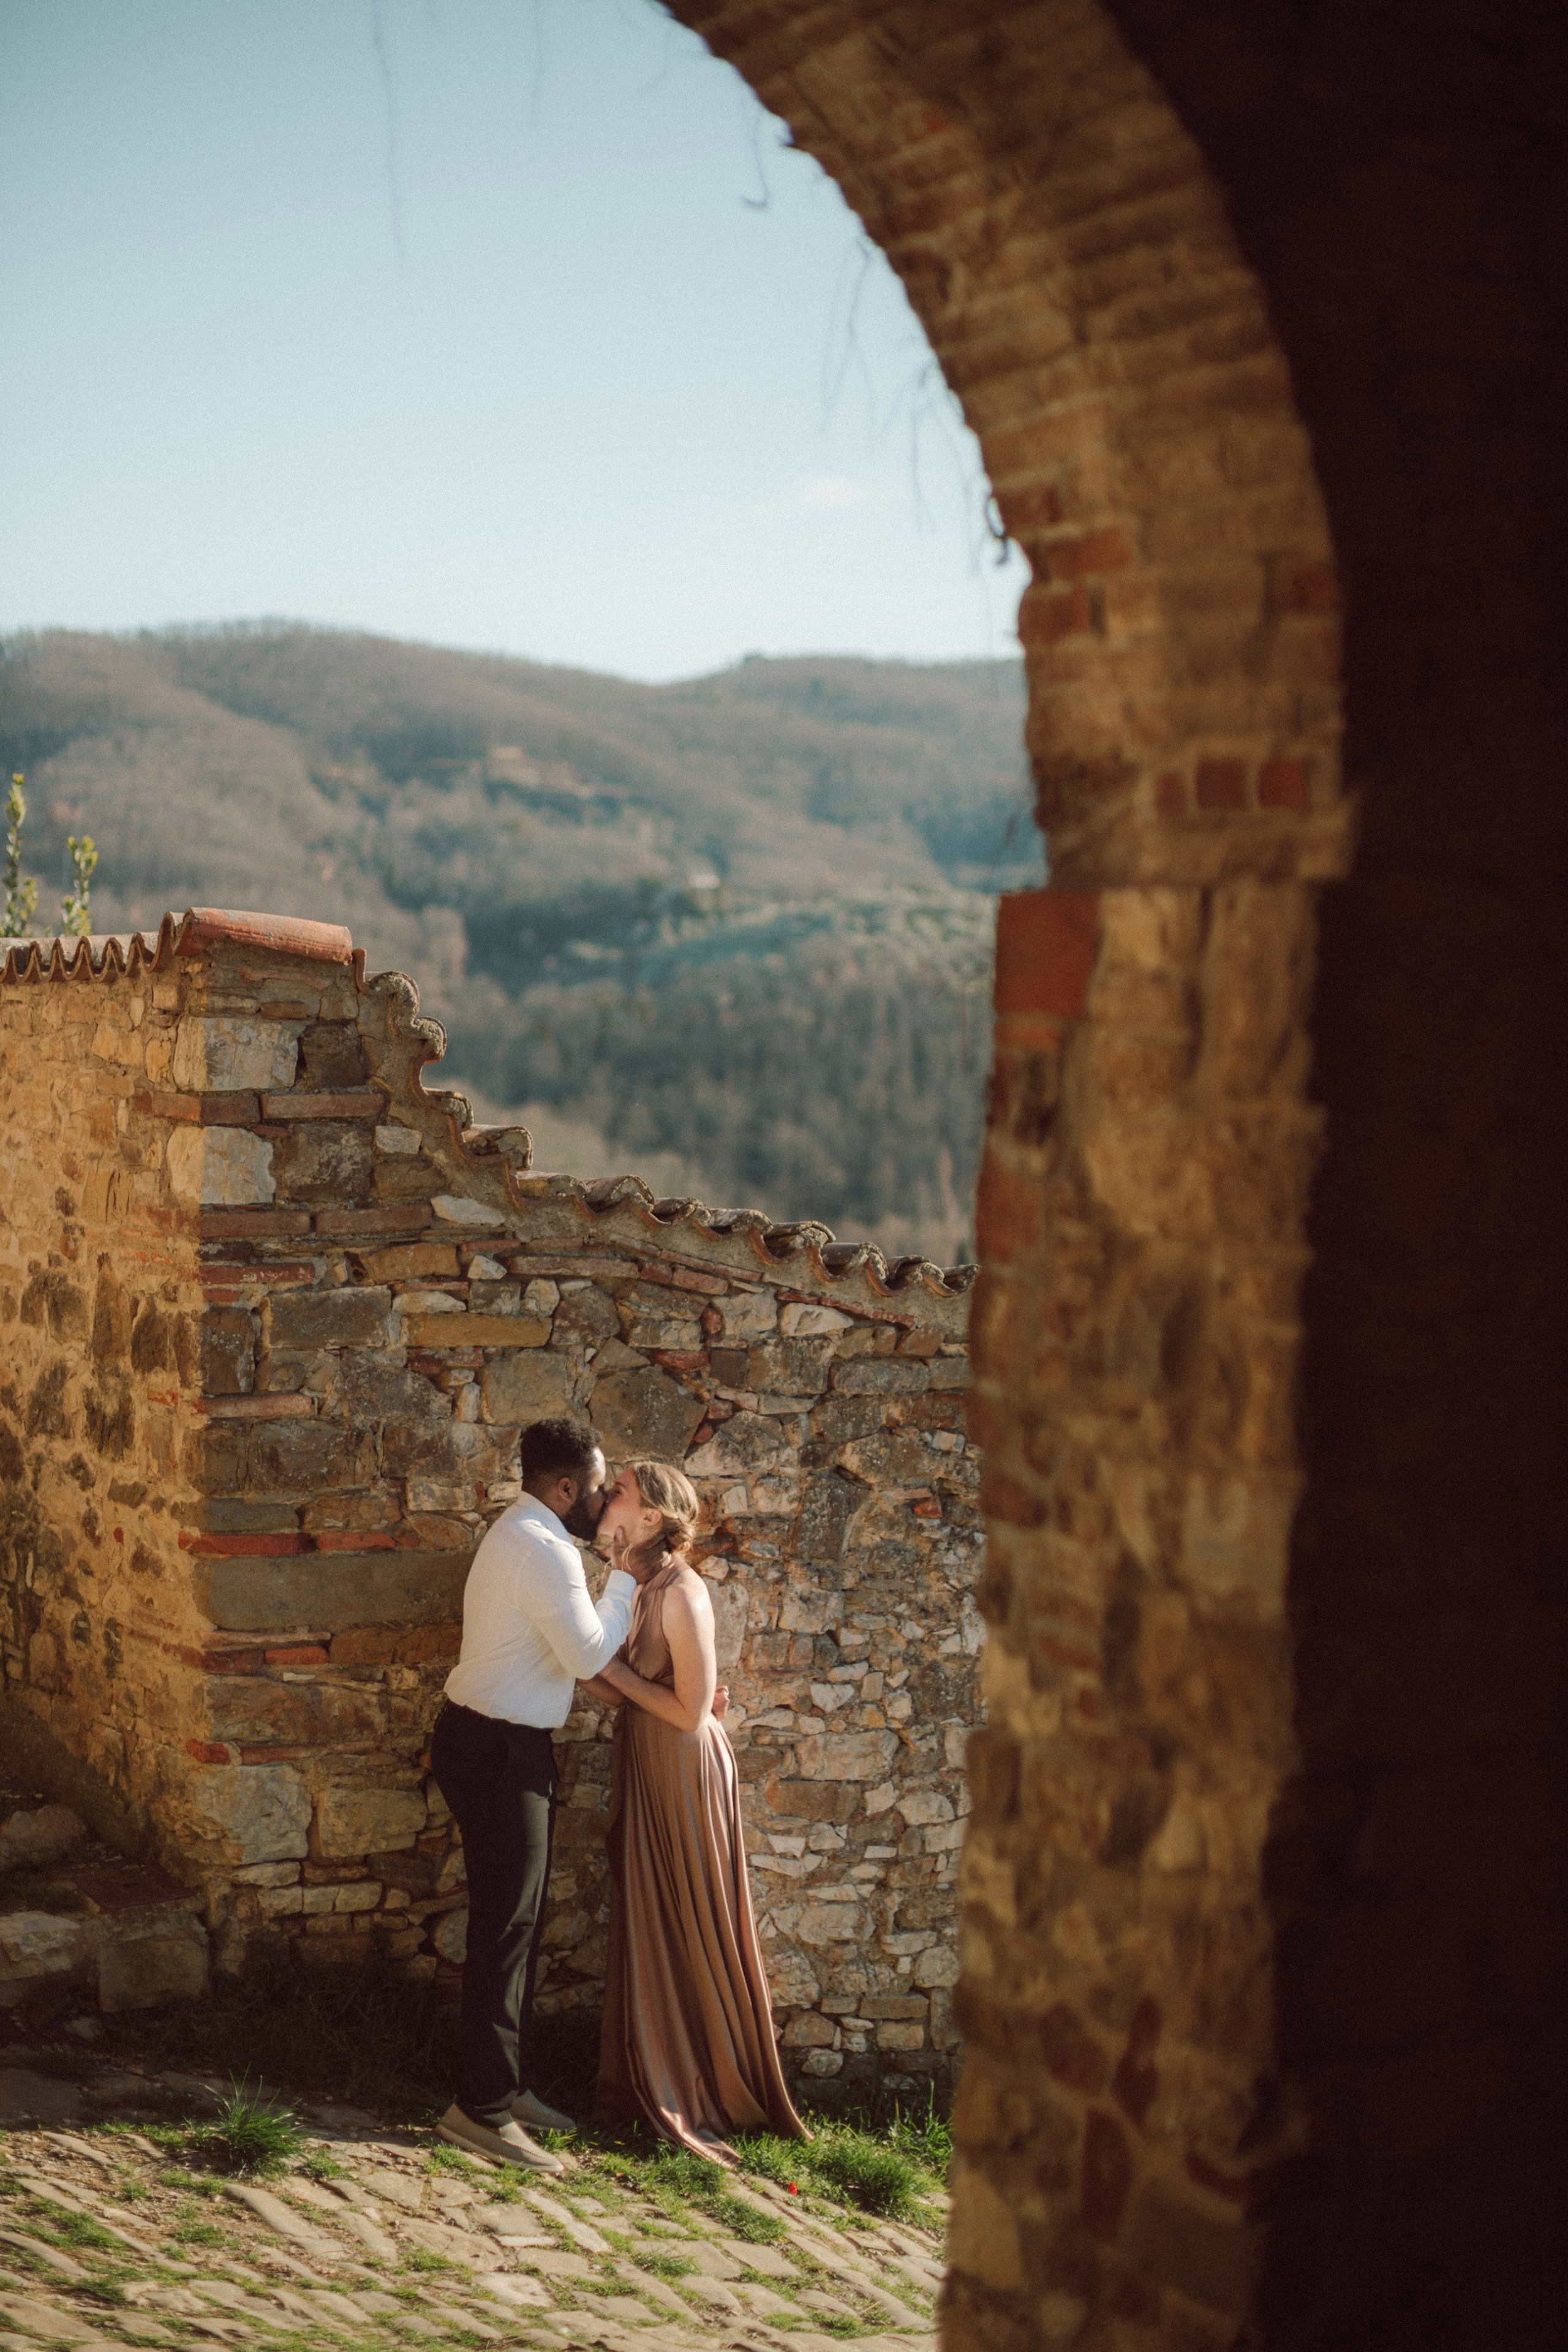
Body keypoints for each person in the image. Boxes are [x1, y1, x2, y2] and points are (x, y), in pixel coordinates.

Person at [583, 1459, 808, 2160]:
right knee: (650, 1910)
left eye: (616, 1491)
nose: (602, 1498)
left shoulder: (682, 1593)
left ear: (649, 1515)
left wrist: (611, 1671)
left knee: (690, 1913)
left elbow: (688, 1712)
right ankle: (652, 2072)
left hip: (682, 1767)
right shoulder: (638, 1585)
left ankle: (711, 2084)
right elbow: (610, 1691)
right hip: (646, 1758)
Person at [429, 1416, 632, 2171]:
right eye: (600, 1483)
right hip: (493, 1748)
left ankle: (502, 2087)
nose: (607, 1495)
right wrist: (631, 1578)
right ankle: (478, 2111)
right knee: (506, 1926)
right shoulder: (544, 1549)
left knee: (517, 1923)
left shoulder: (526, 1533)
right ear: (567, 1487)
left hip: (500, 1744)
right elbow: (586, 1654)